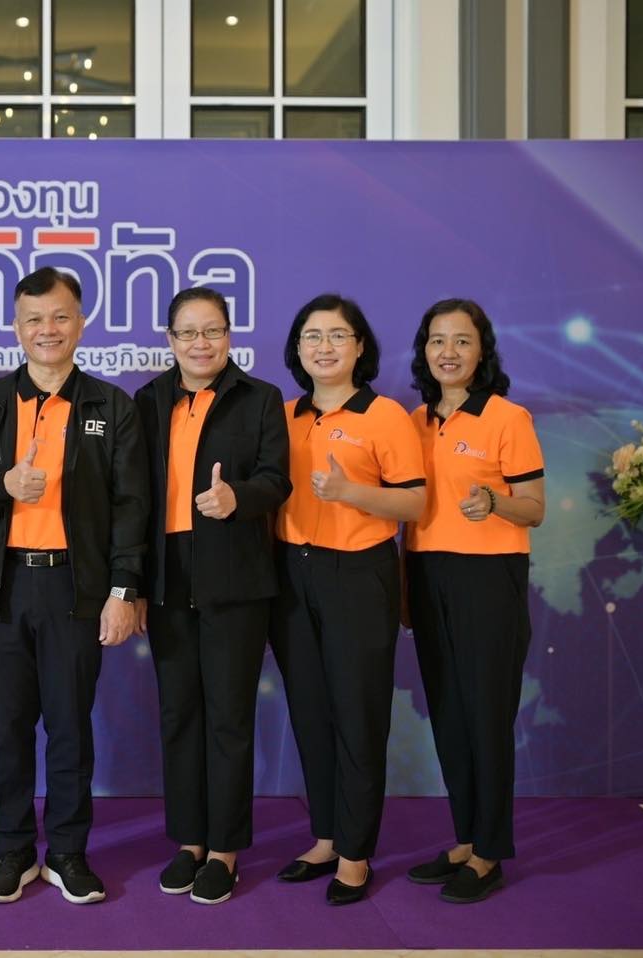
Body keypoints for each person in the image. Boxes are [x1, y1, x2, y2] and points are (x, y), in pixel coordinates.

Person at [0, 267, 149, 905]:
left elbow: (132, 505)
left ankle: (66, 852)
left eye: (60, 317)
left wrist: (123, 590)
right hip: (3, 587)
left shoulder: (109, 405)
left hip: (75, 589)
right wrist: (2, 485)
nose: (48, 330)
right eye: (34, 319)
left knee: (69, 726)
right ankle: (12, 850)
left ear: (80, 323)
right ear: (16, 328)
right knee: (6, 727)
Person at [133, 288, 291, 905]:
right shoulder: (148, 401)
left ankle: (224, 849)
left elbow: (277, 479)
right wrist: (134, 584)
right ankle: (190, 840)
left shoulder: (260, 398)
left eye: (213, 331)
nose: (201, 344)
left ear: (229, 335)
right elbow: (134, 499)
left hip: (235, 579)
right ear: (170, 339)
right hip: (168, 578)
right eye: (188, 333)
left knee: (228, 716)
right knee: (179, 714)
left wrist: (237, 499)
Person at [270, 293, 426, 905]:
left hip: (358, 573)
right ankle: (327, 836)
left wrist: (351, 492)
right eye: (312, 336)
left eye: (338, 335)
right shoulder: (284, 414)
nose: (324, 347)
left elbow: (414, 502)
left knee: (358, 713)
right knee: (310, 711)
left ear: (360, 346)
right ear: (297, 348)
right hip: (291, 572)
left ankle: (357, 853)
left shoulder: (385, 415)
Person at [402, 298, 545, 904]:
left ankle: (490, 852)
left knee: (486, 716)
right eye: (438, 340)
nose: (449, 353)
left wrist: (494, 502)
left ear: (482, 350)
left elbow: (534, 508)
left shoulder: (508, 417)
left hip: (488, 576)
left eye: (462, 341)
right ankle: (464, 840)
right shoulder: (414, 420)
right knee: (449, 714)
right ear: (424, 351)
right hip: (426, 572)